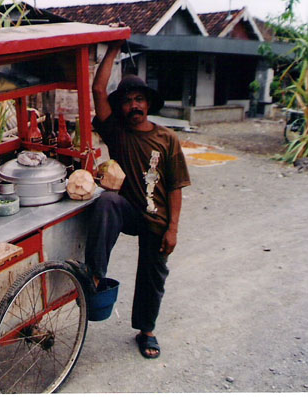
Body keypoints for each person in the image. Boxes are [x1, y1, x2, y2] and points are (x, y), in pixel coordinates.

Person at [85, 42, 191, 359]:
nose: (133, 105)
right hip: (128, 210)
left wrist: (173, 228)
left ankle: (146, 331)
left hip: (156, 220)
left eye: (139, 99)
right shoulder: (117, 132)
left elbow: (175, 186)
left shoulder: (167, 138)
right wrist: (113, 49)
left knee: (152, 276)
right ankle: (94, 275)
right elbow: (98, 90)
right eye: (128, 101)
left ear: (148, 103)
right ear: (122, 108)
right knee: (106, 203)